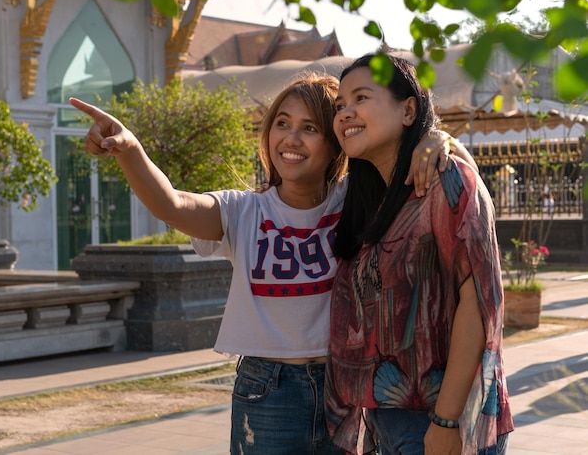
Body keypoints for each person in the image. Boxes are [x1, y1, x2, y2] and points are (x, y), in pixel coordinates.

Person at [69, 70, 471, 454]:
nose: (291, 138)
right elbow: (172, 204)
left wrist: (438, 137)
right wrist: (131, 150)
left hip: (347, 389)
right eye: (282, 123)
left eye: (310, 128)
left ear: (335, 143)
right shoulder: (242, 211)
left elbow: (417, 161)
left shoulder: (357, 201)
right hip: (268, 391)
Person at [324, 54, 514, 455]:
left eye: (361, 97)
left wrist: (446, 422)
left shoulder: (446, 179)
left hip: (441, 419)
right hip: (386, 421)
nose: (345, 112)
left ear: (408, 109)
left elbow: (478, 305)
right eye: (340, 104)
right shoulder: (371, 203)